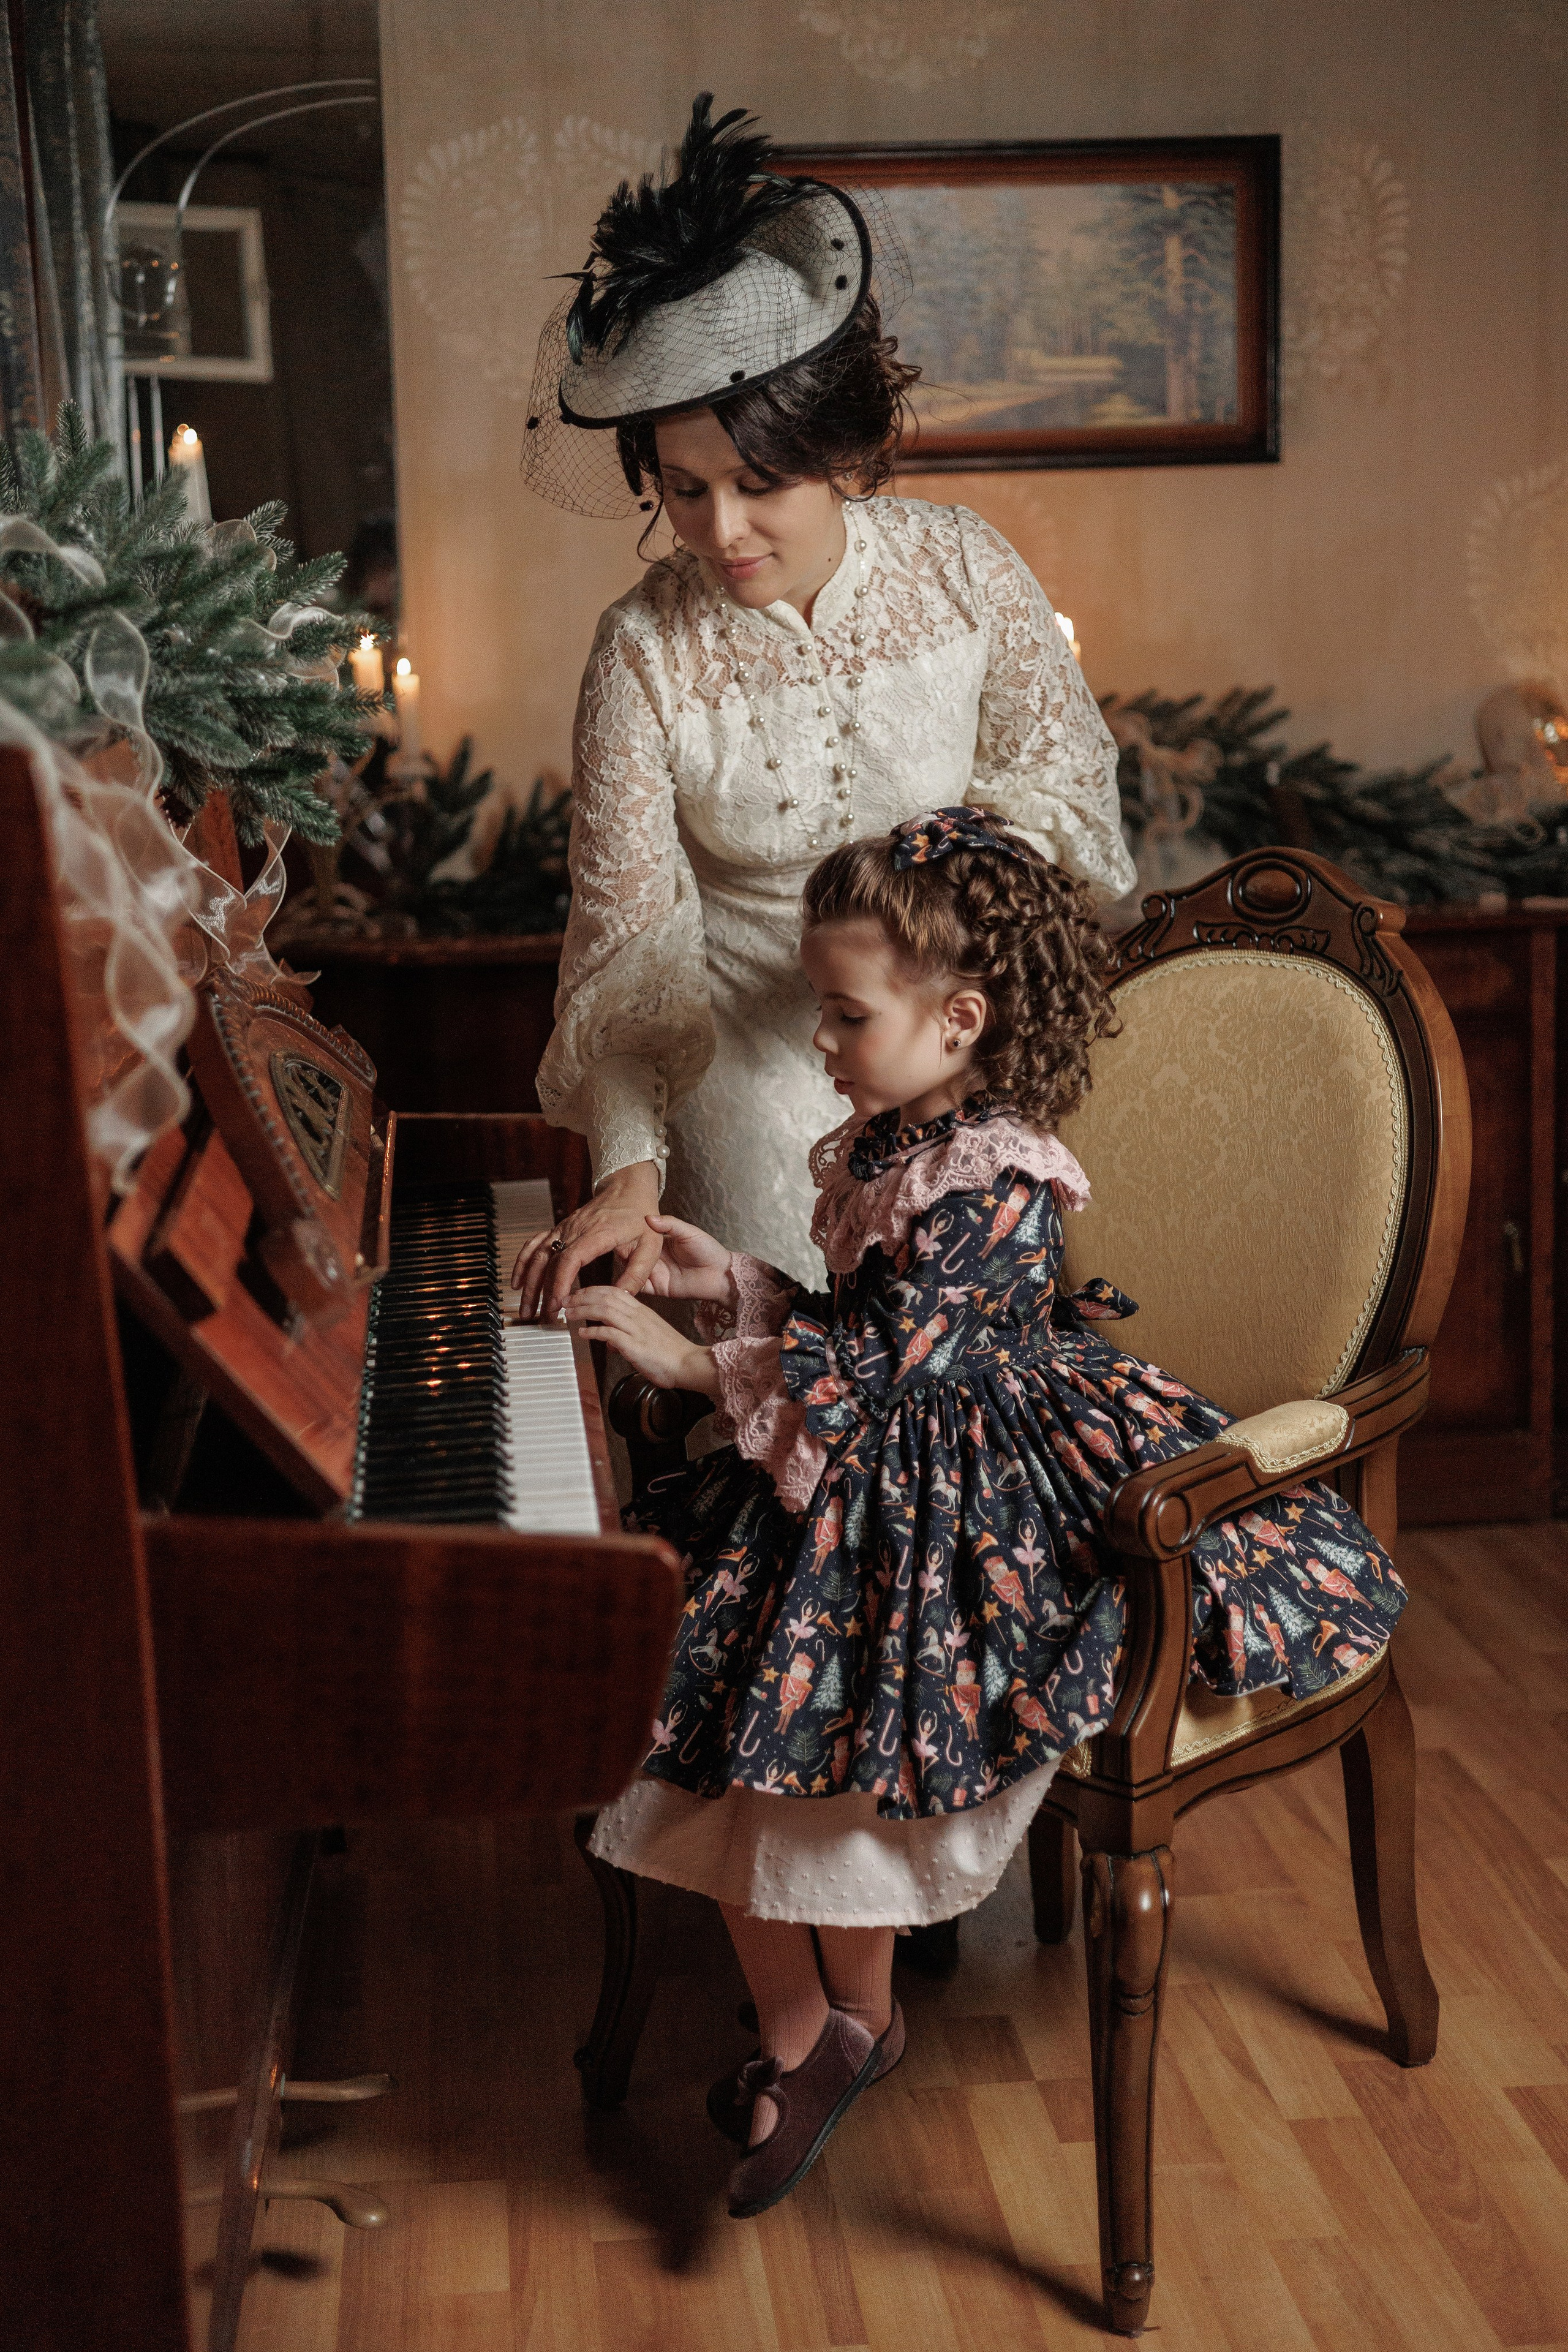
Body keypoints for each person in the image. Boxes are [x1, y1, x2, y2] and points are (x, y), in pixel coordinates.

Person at [565, 806, 1408, 2219]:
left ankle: (848, 2022)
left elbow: (904, 1369)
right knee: (690, 1694)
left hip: (975, 1480)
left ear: (958, 1019)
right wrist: (738, 1289)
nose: (820, 1046)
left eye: (842, 1017)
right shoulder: (890, 1139)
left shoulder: (996, 1173)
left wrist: (690, 1358)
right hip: (874, 1447)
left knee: (844, 1699)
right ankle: (810, 2032)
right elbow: (863, 1325)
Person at [511, 94, 1136, 1321]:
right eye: (683, 490)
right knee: (769, 1415)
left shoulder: (965, 570)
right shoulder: (641, 651)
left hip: (957, 1091)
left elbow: (1060, 812)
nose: (720, 532)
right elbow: (634, 958)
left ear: (836, 448)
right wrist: (629, 1180)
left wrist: (955, 1040)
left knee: (939, 1411)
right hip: (738, 1097)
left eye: (759, 484)